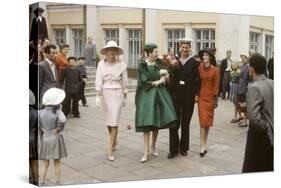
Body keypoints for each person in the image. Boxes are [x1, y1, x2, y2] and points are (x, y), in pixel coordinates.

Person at [135, 43, 177, 163]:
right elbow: (143, 82)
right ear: (148, 53)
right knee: (146, 123)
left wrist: (166, 75)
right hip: (146, 96)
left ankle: (153, 146)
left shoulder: (160, 64)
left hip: (159, 95)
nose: (157, 53)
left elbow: (167, 81)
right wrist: (158, 81)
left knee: (156, 121)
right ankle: (145, 152)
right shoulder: (142, 65)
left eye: (157, 51)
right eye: (154, 51)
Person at [167, 38, 200, 159]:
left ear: (190, 49)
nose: (185, 49)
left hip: (189, 96)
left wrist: (196, 95)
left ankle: (184, 148)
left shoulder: (194, 63)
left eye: (187, 47)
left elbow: (197, 80)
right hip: (175, 96)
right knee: (174, 123)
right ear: (180, 48)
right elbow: (169, 77)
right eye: (183, 47)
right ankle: (173, 150)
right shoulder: (174, 62)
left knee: (186, 123)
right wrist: (171, 67)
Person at [95, 41, 128, 161]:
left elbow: (125, 83)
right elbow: (99, 81)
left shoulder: (122, 65)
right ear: (106, 52)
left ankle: (109, 148)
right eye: (110, 51)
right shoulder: (100, 65)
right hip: (105, 94)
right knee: (109, 122)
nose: (112, 53)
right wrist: (97, 96)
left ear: (117, 52)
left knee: (114, 121)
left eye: (114, 51)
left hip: (117, 94)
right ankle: (114, 141)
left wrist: (125, 97)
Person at [242, 53, 273, 172]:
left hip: (259, 136)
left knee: (253, 167)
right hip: (272, 134)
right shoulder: (272, 82)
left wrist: (265, 127)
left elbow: (253, 117)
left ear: (252, 69)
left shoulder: (254, 87)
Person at [39, 88, 67, 185]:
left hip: (45, 138)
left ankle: (41, 182)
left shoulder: (40, 112)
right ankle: (58, 182)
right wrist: (58, 129)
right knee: (57, 162)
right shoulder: (58, 112)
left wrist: (41, 127)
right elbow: (63, 120)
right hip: (55, 138)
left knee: (45, 163)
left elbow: (35, 120)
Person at [197, 48, 220, 157]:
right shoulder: (199, 68)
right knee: (202, 121)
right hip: (201, 97)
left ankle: (205, 142)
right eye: (203, 55)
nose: (204, 57)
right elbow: (196, 82)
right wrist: (196, 95)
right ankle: (202, 145)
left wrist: (215, 99)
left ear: (210, 57)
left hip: (210, 98)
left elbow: (216, 85)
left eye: (206, 55)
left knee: (207, 122)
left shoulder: (215, 70)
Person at [237, 54, 250, 127]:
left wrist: (245, 88)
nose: (242, 60)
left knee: (244, 105)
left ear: (246, 59)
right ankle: (244, 120)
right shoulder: (243, 66)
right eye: (242, 59)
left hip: (244, 87)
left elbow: (246, 78)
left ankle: (245, 121)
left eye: (244, 58)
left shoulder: (247, 66)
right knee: (241, 104)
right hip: (241, 87)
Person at [29, 90, 39, 185]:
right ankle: (35, 180)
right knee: (33, 161)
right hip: (32, 139)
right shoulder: (36, 113)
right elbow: (37, 128)